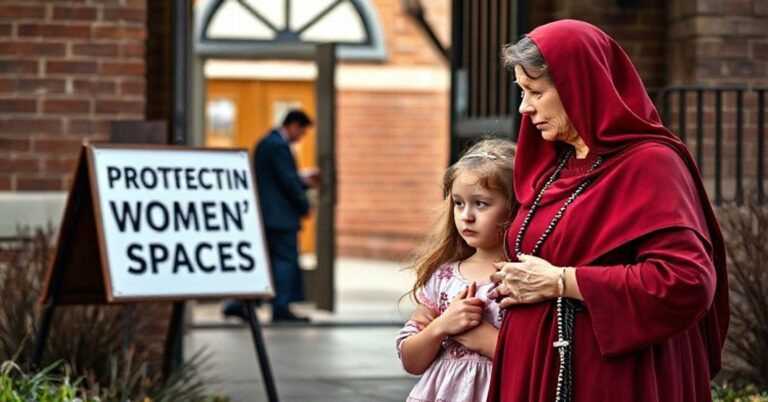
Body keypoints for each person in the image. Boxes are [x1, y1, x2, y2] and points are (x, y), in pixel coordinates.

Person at [485, 20, 729, 401]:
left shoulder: (652, 164)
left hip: (613, 381)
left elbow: (686, 282)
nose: (524, 107)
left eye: (535, 92)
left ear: (578, 87)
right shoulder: (554, 164)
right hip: (532, 371)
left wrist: (562, 281)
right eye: (522, 91)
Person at [396, 139, 519, 402]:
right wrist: (442, 326)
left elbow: (540, 363)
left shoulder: (525, 278)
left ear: (514, 206)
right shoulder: (443, 278)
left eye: (481, 203)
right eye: (459, 203)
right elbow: (411, 362)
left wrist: (489, 341)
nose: (466, 216)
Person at [224, 109, 318, 323]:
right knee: (283, 261)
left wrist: (302, 181)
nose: (301, 137)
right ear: (294, 125)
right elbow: (287, 181)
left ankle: (240, 304)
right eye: (302, 132)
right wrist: (305, 205)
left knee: (264, 263)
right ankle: (279, 308)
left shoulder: (266, 143)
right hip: (280, 218)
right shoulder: (277, 146)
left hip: (266, 216)